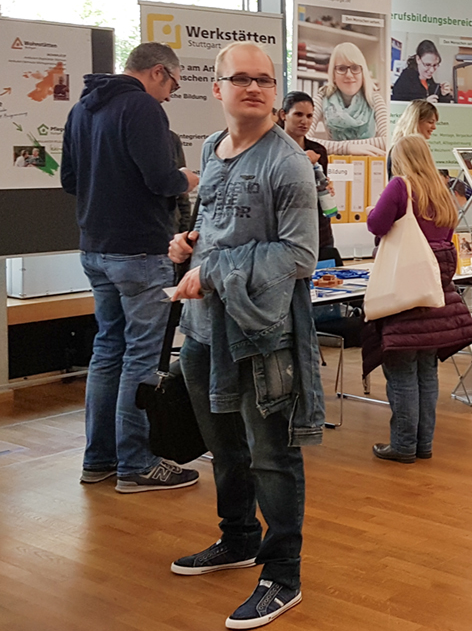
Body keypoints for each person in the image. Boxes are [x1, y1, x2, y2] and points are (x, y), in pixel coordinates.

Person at [168, 41, 324, 629]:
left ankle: (282, 573)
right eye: (241, 79)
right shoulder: (211, 148)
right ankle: (237, 539)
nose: (253, 88)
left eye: (264, 79)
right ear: (219, 88)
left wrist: (213, 270)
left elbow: (300, 254)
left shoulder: (288, 163)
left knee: (272, 456)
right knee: (225, 449)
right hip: (205, 330)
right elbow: (212, 219)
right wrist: (188, 244)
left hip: (262, 335)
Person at [60, 41, 200, 493]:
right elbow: (162, 179)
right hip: (140, 252)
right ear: (159, 72)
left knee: (107, 352)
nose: (170, 96)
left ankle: (98, 459)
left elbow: (68, 181)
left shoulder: (83, 108)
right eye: (173, 85)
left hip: (94, 248)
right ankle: (137, 463)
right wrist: (191, 178)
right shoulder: (142, 108)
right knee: (141, 356)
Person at [362, 135, 472, 462]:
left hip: (404, 288)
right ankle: (423, 443)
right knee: (426, 370)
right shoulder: (442, 191)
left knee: (400, 368)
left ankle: (402, 445)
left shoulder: (401, 186)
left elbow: (377, 224)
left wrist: (373, 209)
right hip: (436, 290)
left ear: (398, 159)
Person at [308, 42, 387, 155]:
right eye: (342, 68)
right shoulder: (322, 98)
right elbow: (303, 139)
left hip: (369, 165)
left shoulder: (374, 99)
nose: (349, 75)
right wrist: (346, 148)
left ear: (362, 72)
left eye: (355, 68)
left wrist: (339, 147)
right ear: (333, 74)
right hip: (335, 167)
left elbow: (388, 140)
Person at [282, 90, 335, 253]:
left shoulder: (318, 150)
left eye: (309, 116)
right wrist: (303, 162)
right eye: (298, 114)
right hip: (286, 229)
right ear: (284, 115)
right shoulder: (272, 149)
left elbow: (320, 184)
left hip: (319, 229)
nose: (304, 121)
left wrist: (326, 185)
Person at [391, 40, 453, 104]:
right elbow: (399, 105)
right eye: (427, 65)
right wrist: (424, 103)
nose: (431, 70)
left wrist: (443, 94)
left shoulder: (429, 81)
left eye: (435, 65)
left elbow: (437, 104)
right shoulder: (406, 79)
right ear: (418, 59)